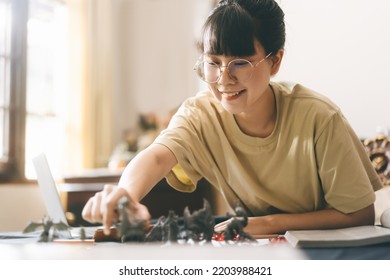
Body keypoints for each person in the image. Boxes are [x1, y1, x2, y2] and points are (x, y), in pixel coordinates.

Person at [82, 0, 383, 237]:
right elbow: (159, 157)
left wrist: (267, 224)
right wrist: (126, 193)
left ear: (275, 61)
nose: (223, 79)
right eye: (213, 63)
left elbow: (358, 214)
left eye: (240, 63)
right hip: (259, 247)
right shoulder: (201, 113)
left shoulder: (319, 117)